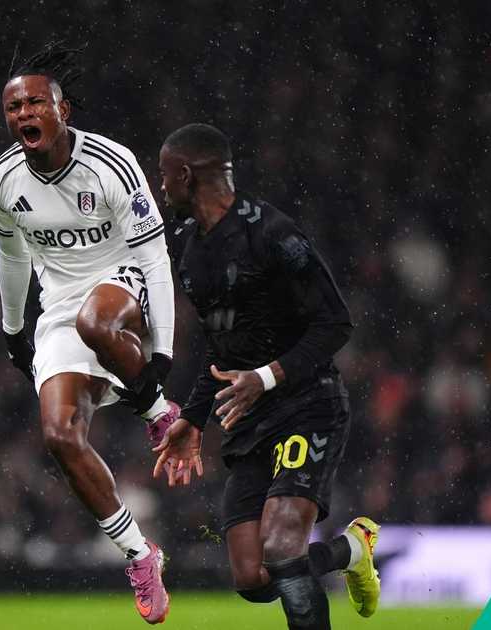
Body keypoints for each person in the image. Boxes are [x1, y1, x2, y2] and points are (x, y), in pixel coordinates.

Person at [150, 123, 380, 630]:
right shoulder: (190, 249)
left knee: (282, 548)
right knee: (252, 578)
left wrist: (269, 376)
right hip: (249, 423)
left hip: (307, 403)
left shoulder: (274, 235)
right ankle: (352, 550)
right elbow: (223, 348)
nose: (160, 187)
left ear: (186, 175)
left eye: (164, 176)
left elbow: (335, 322)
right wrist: (192, 419)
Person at [0, 42, 178, 624]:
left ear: (63, 110)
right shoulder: (0, 183)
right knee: (60, 436)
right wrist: (14, 328)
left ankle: (158, 412)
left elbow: (156, 256)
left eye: (34, 102)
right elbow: (11, 258)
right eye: (13, 107)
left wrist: (162, 351)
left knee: (97, 322)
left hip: (124, 285)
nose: (22, 114)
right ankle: (142, 556)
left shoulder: (111, 164)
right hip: (59, 305)